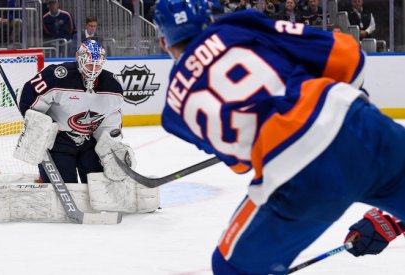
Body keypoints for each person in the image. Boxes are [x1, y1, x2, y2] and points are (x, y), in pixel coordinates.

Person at [152, 0, 405, 274]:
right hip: (364, 127)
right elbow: (349, 58)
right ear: (210, 20)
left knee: (231, 266)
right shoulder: (236, 26)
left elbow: (240, 164)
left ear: (164, 41)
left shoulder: (173, 113)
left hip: (301, 177)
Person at [16, 40, 159, 214]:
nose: (92, 69)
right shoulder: (58, 76)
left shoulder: (112, 87)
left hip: (89, 142)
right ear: (79, 59)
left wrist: (112, 148)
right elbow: (28, 97)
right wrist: (39, 128)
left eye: (96, 65)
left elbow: (110, 122)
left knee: (101, 189)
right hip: (59, 143)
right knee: (64, 195)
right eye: (89, 64)